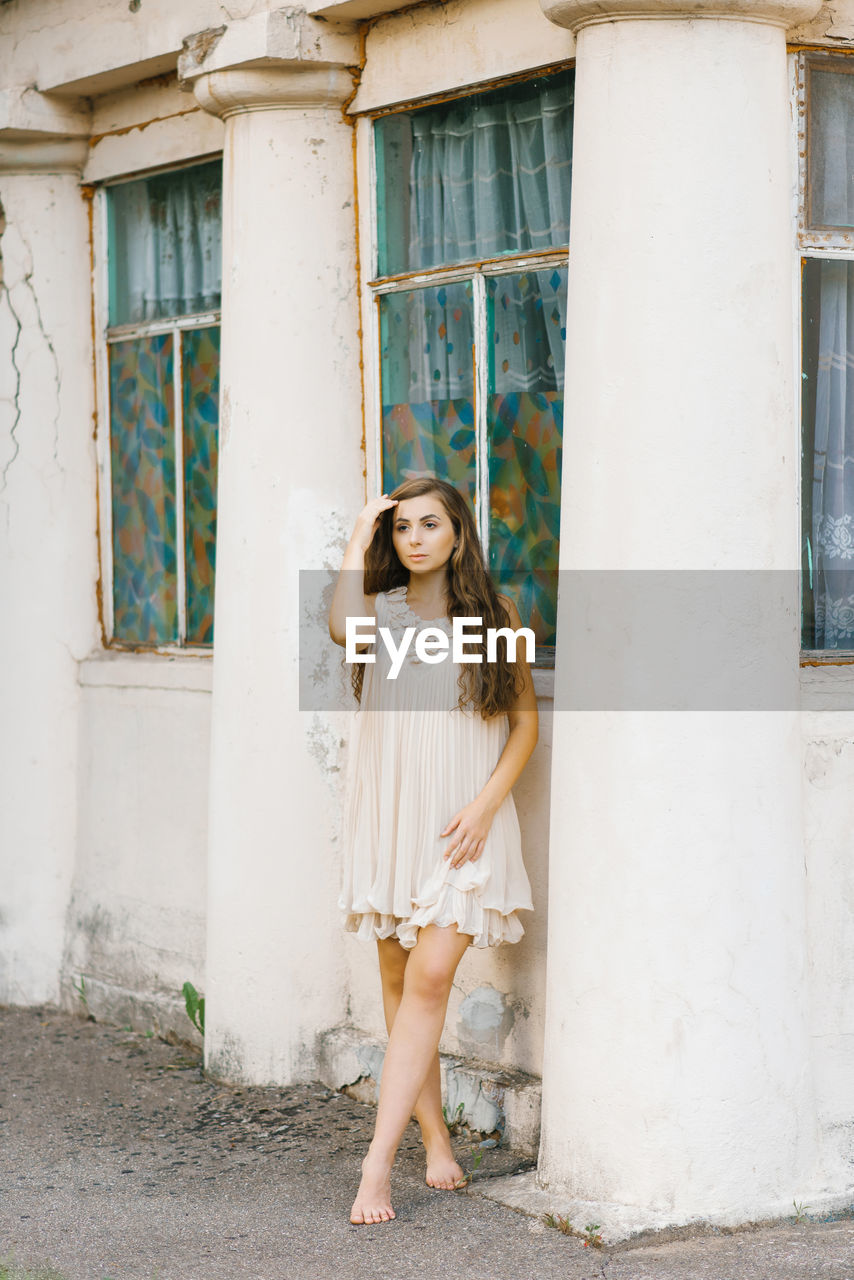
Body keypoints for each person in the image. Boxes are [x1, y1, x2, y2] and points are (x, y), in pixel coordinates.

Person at [328, 476, 538, 1225]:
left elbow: (522, 728)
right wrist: (358, 538)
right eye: (402, 528)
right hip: (392, 822)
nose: (414, 538)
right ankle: (435, 1136)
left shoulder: (493, 615)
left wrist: (484, 807)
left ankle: (374, 1166)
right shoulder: (378, 616)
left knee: (430, 980)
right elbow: (339, 629)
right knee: (397, 979)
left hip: (462, 828)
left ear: (458, 534)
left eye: (430, 524)